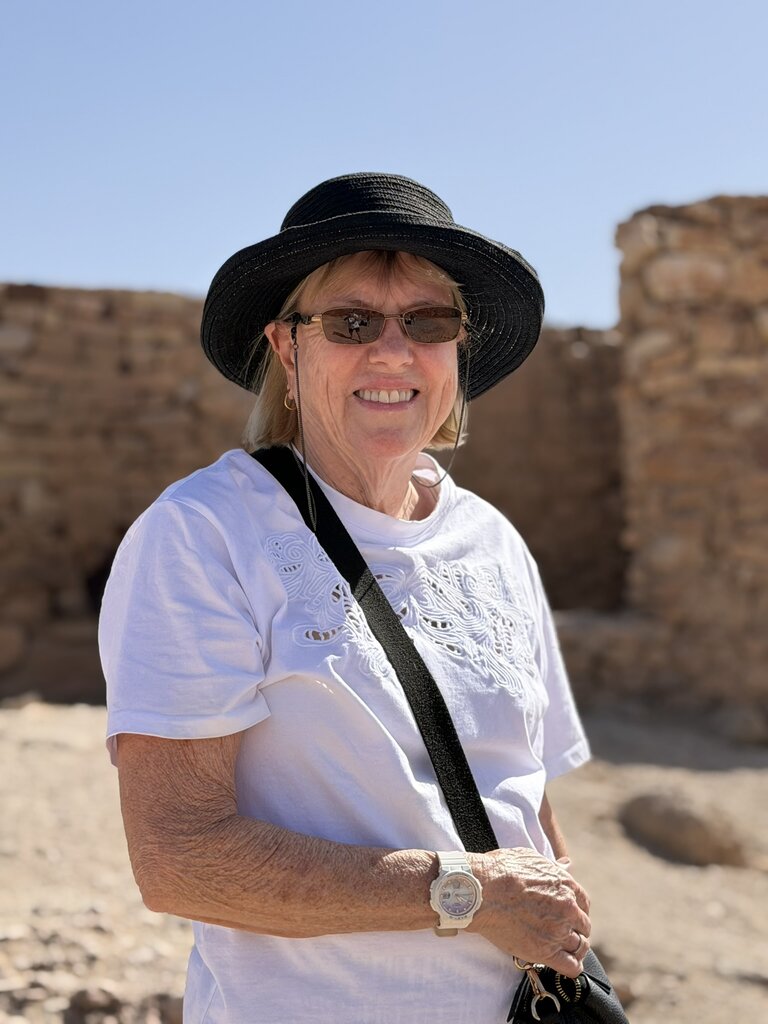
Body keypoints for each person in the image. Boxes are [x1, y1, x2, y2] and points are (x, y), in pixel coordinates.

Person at [99, 172, 593, 1024]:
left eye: (428, 322)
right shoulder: (205, 536)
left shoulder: (493, 541)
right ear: (287, 351)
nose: (394, 353)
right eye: (352, 322)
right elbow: (179, 858)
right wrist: (469, 892)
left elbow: (524, 795)